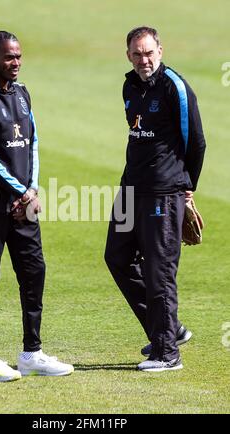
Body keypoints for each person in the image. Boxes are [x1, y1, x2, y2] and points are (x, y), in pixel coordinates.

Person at [0, 31, 74, 381]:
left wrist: (31, 188)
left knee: (33, 273)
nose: (16, 63)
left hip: (24, 204)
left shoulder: (22, 94)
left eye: (19, 56)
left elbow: (33, 142)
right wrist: (20, 192)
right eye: (9, 57)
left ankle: (32, 352)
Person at [105, 26, 206, 372]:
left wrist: (186, 187)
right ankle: (167, 330)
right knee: (116, 257)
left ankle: (167, 355)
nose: (143, 59)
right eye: (137, 53)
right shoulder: (129, 85)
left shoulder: (175, 87)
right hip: (131, 187)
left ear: (160, 51)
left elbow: (196, 142)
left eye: (149, 52)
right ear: (128, 55)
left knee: (158, 271)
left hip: (165, 191)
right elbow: (139, 137)